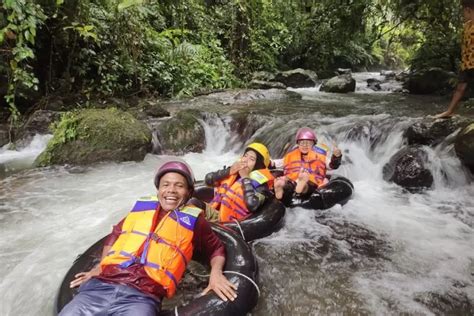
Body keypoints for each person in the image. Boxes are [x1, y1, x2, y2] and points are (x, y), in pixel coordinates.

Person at [59, 160, 237, 316]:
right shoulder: (141, 209)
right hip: (99, 288)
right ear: (158, 189)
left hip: (141, 297)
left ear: (189, 192)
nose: (171, 190)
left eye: (179, 186)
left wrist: (216, 274)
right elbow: (115, 235)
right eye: (165, 185)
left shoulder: (195, 221)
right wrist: (99, 267)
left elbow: (216, 249)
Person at [204, 142, 274, 223]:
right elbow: (208, 180)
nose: (245, 160)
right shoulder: (234, 171)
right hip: (215, 212)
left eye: (252, 159)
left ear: (258, 165)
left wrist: (245, 178)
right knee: (193, 203)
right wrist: (229, 171)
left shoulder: (261, 185)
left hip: (230, 223)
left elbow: (252, 205)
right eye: (245, 156)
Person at [273, 127, 342, 206]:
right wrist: (268, 161)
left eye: (308, 143)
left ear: (313, 144)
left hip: (310, 180)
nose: (305, 145)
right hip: (292, 179)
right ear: (298, 143)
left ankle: (300, 184)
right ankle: (281, 186)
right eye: (302, 143)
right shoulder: (290, 156)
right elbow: (276, 163)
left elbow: (332, 165)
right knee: (288, 182)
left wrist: (336, 157)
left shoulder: (321, 156)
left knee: (306, 184)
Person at [435, 0, 474, 118]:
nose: (463, 15)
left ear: (469, 10)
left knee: (461, 88)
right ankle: (450, 111)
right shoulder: (467, 25)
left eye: (464, 12)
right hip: (467, 63)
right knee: (460, 88)